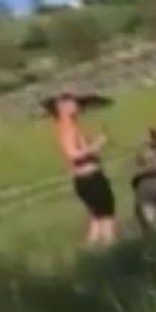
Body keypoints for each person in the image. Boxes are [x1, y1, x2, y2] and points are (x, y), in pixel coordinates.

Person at [46, 92, 116, 247]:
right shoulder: (67, 128)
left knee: (96, 218)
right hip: (89, 177)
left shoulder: (68, 126)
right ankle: (111, 249)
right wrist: (97, 146)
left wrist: (95, 143)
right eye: (71, 103)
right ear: (62, 107)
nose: (76, 105)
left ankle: (92, 253)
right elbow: (73, 154)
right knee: (106, 216)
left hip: (85, 179)